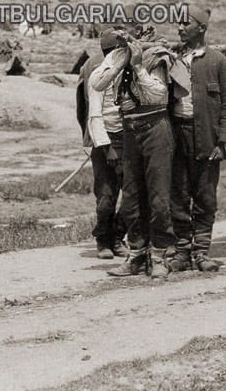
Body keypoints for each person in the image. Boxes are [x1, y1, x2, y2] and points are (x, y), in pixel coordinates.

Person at [91, 30, 175, 278]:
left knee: (159, 197)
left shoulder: (158, 55)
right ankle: (136, 255)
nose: (124, 36)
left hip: (156, 127)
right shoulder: (116, 56)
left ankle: (160, 255)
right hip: (130, 129)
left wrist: (138, 66)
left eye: (130, 30)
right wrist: (121, 59)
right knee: (131, 197)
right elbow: (97, 83)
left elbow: (158, 94)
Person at [167, 6, 226, 272]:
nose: (180, 28)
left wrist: (224, 141)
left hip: (207, 139)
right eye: (179, 24)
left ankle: (202, 252)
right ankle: (183, 251)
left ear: (202, 28)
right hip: (176, 138)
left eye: (186, 24)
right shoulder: (170, 59)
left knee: (206, 196)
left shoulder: (219, 63)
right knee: (178, 195)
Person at [76, 30, 128, 260]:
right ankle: (103, 240)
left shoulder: (130, 62)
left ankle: (118, 236)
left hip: (128, 137)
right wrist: (92, 138)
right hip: (102, 137)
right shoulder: (93, 68)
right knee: (106, 194)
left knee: (132, 194)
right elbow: (85, 107)